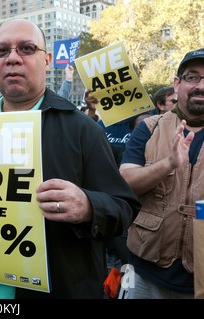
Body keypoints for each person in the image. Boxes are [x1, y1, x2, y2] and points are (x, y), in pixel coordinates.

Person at [0, 19, 140, 299]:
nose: (12, 58)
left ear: (46, 60)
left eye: (26, 48)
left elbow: (124, 209)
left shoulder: (83, 130)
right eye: (2, 51)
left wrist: (88, 206)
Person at [119, 48, 204, 299]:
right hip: (144, 274)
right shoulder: (148, 127)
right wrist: (167, 163)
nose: (201, 85)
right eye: (192, 77)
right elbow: (125, 182)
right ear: (177, 84)